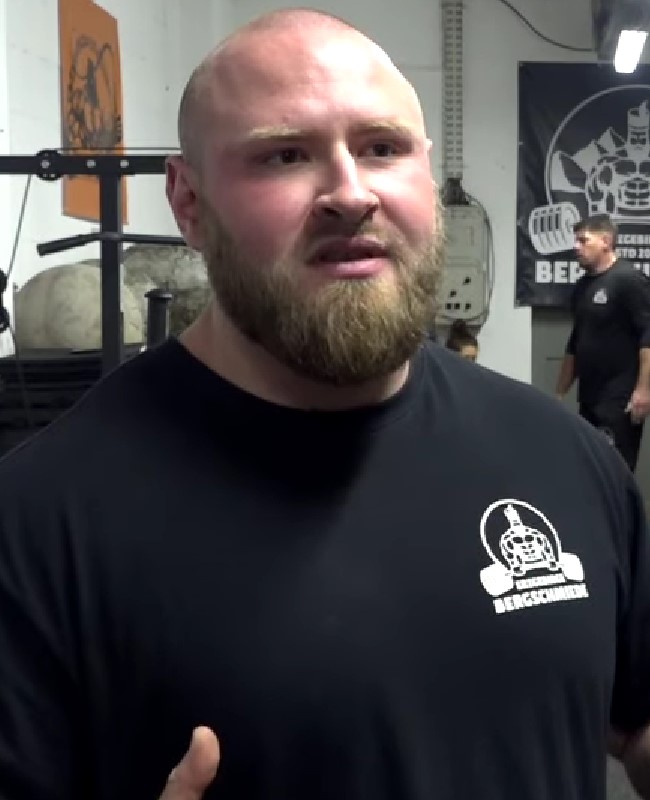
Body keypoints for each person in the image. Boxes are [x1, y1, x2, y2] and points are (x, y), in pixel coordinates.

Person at [1, 10, 650, 800]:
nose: (350, 192)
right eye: (284, 155)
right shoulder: (39, 525)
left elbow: (636, 725)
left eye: (382, 148)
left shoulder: (564, 457)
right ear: (188, 202)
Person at [556, 213, 650, 471]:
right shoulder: (582, 287)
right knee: (590, 469)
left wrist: (644, 390)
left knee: (615, 470)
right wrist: (559, 393)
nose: (576, 247)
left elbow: (648, 335)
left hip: (620, 398)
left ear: (606, 242)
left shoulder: (629, 280)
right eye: (576, 240)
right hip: (589, 396)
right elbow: (576, 342)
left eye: (583, 240)